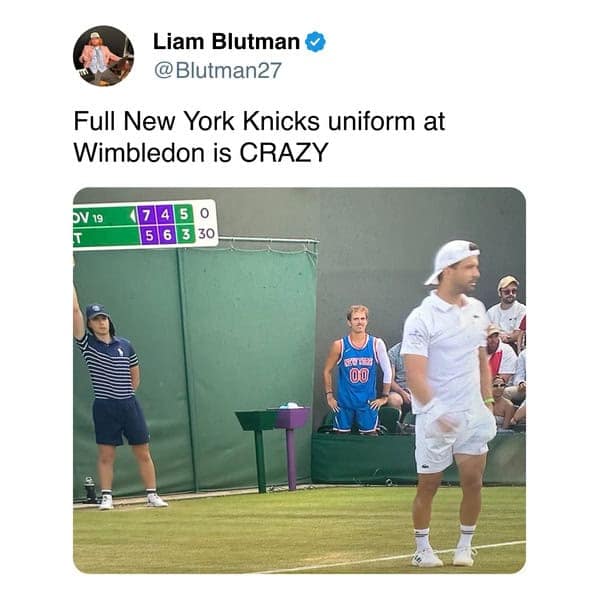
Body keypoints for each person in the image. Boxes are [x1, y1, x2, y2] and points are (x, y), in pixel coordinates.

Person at [400, 240, 496, 568]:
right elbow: (414, 374)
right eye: (469, 267)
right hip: (434, 419)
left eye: (476, 266)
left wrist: (487, 402)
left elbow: (481, 360)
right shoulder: (421, 318)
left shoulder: (477, 309)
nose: (476, 273)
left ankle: (464, 547)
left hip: (472, 415)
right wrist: (437, 412)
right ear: (448, 271)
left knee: (474, 483)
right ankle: (422, 550)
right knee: (428, 486)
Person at [73, 266, 168, 510]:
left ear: (109, 321)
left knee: (143, 451)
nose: (101, 322)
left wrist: (127, 394)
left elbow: (135, 373)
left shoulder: (125, 345)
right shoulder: (87, 345)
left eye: (103, 318)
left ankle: (152, 495)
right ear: (89, 324)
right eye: (96, 319)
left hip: (129, 405)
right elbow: (74, 311)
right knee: (106, 454)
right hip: (104, 407)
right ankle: (107, 497)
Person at [323, 305, 392, 435]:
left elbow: (388, 371)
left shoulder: (376, 344)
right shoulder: (340, 345)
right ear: (349, 322)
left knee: (370, 438)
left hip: (368, 403)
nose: (359, 322)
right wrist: (329, 395)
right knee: (341, 437)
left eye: (362, 318)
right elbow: (327, 370)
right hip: (345, 402)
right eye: (355, 319)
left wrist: (385, 396)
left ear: (367, 321)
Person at [486, 276, 526, 350]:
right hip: (494, 349)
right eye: (507, 292)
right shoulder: (491, 312)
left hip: (515, 349)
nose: (511, 294)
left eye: (514, 291)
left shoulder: (522, 309)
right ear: (500, 293)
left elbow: (518, 335)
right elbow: (486, 333)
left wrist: (500, 337)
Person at [386, 341, 412, 419]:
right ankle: (397, 425)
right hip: (400, 390)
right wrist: (403, 393)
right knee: (393, 399)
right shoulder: (393, 352)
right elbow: (390, 380)